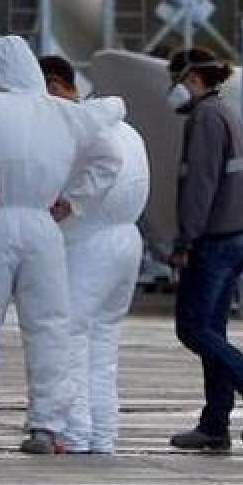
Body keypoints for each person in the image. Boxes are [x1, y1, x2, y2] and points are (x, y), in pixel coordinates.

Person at [0, 36, 124, 454]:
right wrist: (73, 201)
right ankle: (46, 425)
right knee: (49, 325)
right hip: (43, 223)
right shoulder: (66, 113)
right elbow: (109, 158)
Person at [165, 47, 243, 452]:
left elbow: (199, 184)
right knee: (212, 332)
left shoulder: (204, 118)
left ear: (192, 79)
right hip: (240, 235)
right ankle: (214, 426)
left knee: (192, 328)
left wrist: (186, 240)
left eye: (176, 81)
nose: (173, 90)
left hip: (216, 238)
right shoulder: (227, 113)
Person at [40, 55, 148, 454]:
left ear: (53, 86)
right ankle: (102, 432)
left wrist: (67, 204)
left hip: (86, 242)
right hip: (127, 242)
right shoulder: (128, 131)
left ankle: (73, 431)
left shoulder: (77, 129)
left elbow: (91, 174)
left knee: (68, 335)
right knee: (103, 342)